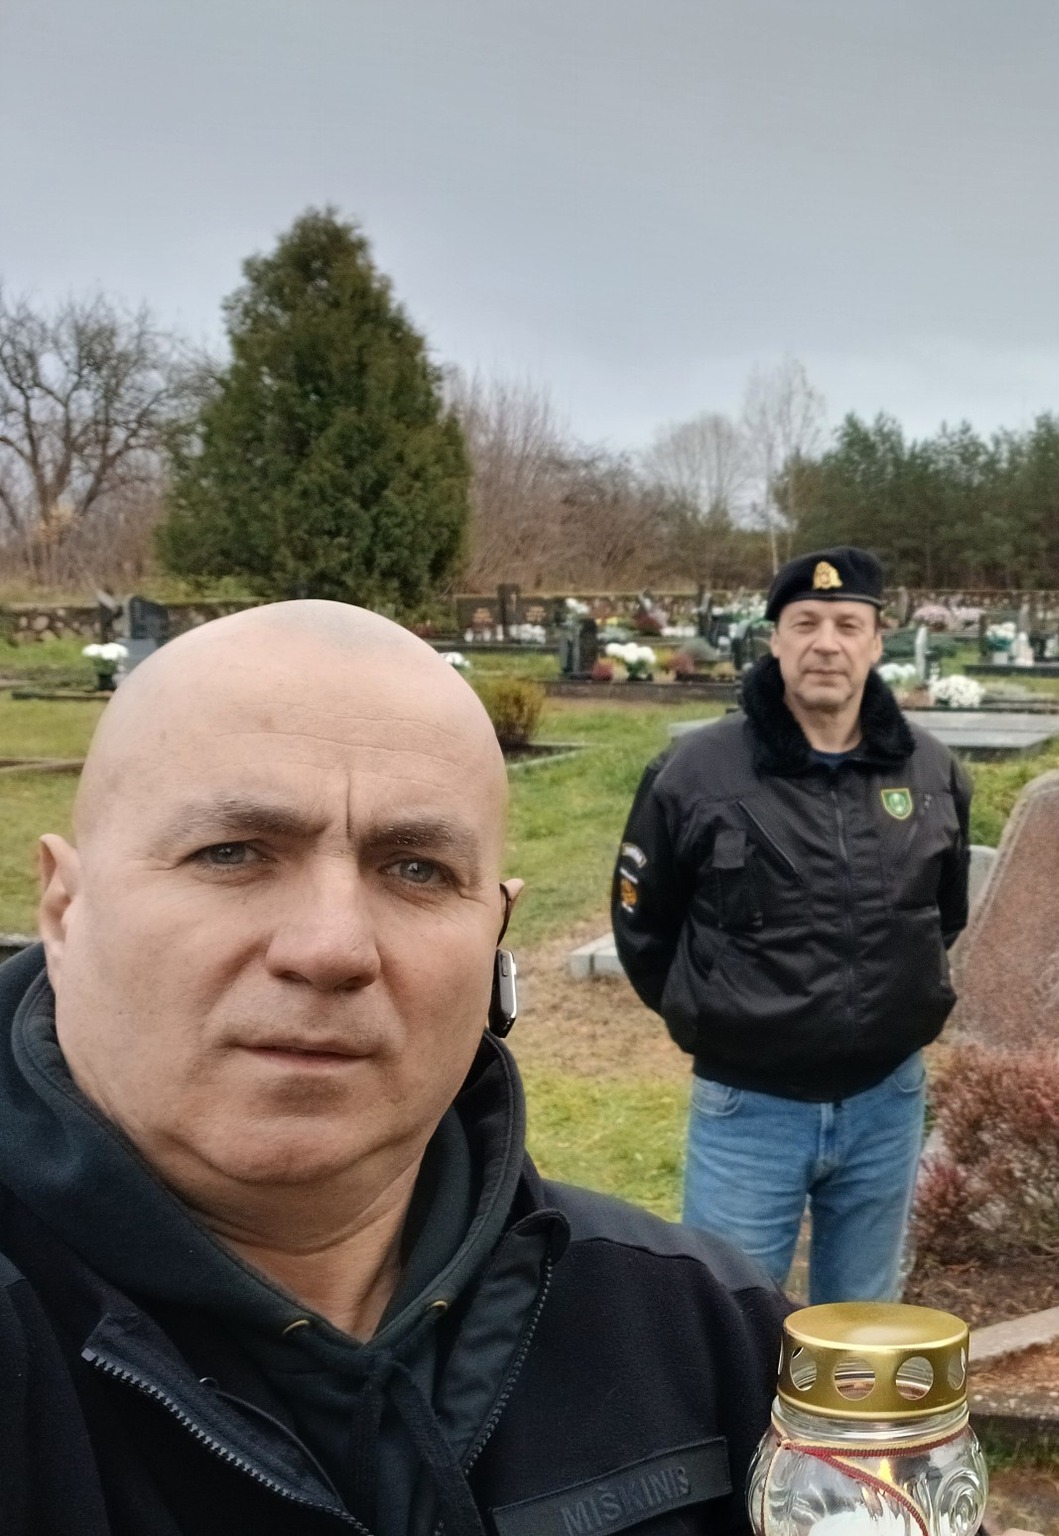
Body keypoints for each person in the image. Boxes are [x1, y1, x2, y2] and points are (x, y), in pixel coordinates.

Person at [0, 601, 786, 1536]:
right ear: (64, 910)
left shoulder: (705, 1335)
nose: (333, 948)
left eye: (416, 869)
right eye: (231, 853)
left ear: (496, 930)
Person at [614, 546, 973, 1304]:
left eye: (848, 625)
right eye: (805, 623)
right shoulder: (697, 773)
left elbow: (941, 918)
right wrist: (717, 1013)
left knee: (861, 1326)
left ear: (877, 643)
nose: (826, 644)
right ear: (775, 640)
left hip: (887, 1101)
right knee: (729, 1318)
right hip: (750, 1109)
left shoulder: (932, 773)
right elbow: (645, 931)